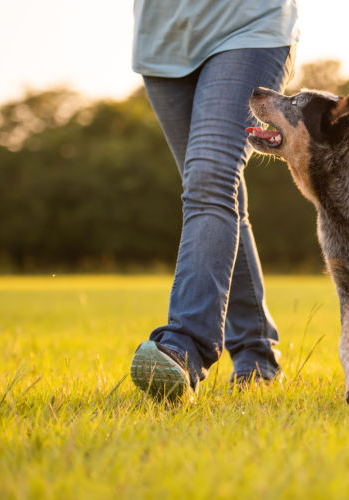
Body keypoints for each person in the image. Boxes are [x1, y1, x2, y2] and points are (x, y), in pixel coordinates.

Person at [129, 0, 299, 399]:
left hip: (248, 27)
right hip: (163, 42)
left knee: (210, 181)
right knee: (216, 191)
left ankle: (184, 347)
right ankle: (256, 355)